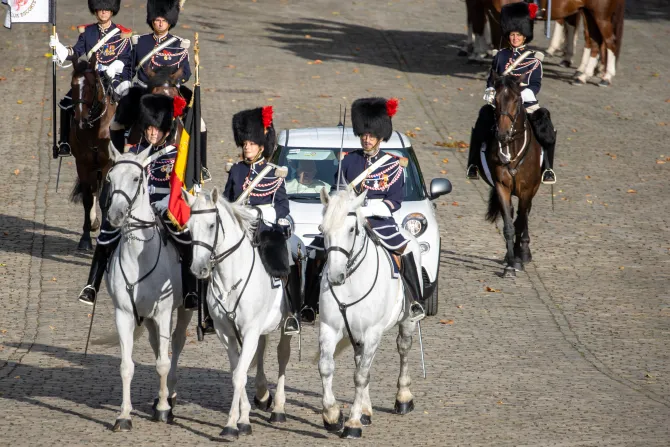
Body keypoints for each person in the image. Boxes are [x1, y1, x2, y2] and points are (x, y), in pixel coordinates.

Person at [77, 94, 206, 326]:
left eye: (157, 129)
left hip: (165, 205)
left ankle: (190, 292)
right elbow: (115, 129)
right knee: (106, 233)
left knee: (186, 240)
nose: (152, 133)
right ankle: (91, 285)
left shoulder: (177, 154)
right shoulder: (133, 152)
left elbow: (182, 183)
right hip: (135, 206)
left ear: (166, 130)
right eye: (149, 128)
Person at [335, 97, 426, 322]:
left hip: (380, 222)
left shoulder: (392, 165)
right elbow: (337, 192)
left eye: (371, 135)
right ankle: (308, 303)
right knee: (321, 248)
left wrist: (370, 208)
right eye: (364, 135)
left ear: (380, 137)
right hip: (350, 221)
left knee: (406, 250)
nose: (366, 139)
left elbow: (395, 200)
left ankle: (415, 301)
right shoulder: (348, 161)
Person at [223, 106, 301, 335]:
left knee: (290, 257)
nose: (246, 146)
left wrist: (265, 213)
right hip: (240, 230)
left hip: (266, 230)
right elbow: (228, 200)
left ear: (262, 145)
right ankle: (210, 314)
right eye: (245, 142)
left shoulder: (273, 172)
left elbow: (283, 205)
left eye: (252, 142)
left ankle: (291, 313)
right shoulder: (236, 171)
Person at [466, 2, 557, 185]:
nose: (515, 38)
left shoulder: (533, 60)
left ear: (525, 37)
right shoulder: (500, 56)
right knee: (482, 121)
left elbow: (536, 83)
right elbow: (492, 78)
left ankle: (548, 168)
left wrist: (523, 95)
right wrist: (490, 90)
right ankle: (473, 164)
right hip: (501, 102)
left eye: (519, 35)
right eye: (512, 34)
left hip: (524, 100)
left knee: (546, 125)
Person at [49, 0, 132, 158]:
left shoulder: (121, 33)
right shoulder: (88, 32)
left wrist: (115, 66)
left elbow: (126, 57)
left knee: (125, 99)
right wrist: (60, 48)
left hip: (112, 75)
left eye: (106, 10)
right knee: (67, 102)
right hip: (92, 76)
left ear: (112, 12)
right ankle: (65, 141)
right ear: (95, 11)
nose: (103, 13)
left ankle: (127, 137)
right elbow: (76, 52)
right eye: (100, 9)